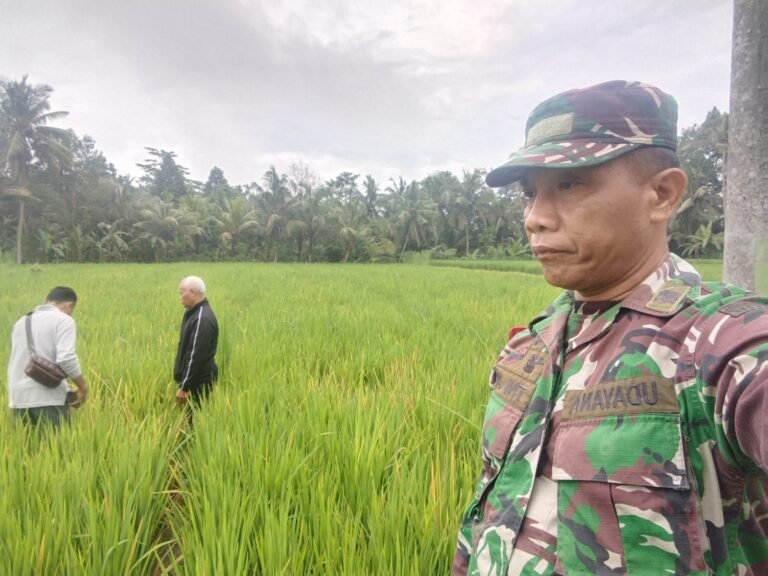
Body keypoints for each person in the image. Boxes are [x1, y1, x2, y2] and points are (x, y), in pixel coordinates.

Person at [453, 80, 768, 575]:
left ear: (662, 194)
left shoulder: (724, 343)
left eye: (570, 184)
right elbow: (487, 514)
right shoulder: (528, 346)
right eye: (529, 194)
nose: (535, 218)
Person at [7, 286, 88, 427]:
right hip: (48, 400)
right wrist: (82, 386)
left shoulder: (20, 322)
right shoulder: (64, 321)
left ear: (47, 301)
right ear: (69, 305)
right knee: (57, 446)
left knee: (27, 448)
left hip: (17, 399)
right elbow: (66, 358)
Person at [174, 276, 218, 412]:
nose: (180, 297)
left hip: (199, 383)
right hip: (196, 380)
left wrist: (185, 387)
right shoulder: (194, 313)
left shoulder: (201, 318)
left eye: (182, 292)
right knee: (192, 422)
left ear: (193, 292)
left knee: (194, 424)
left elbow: (195, 356)